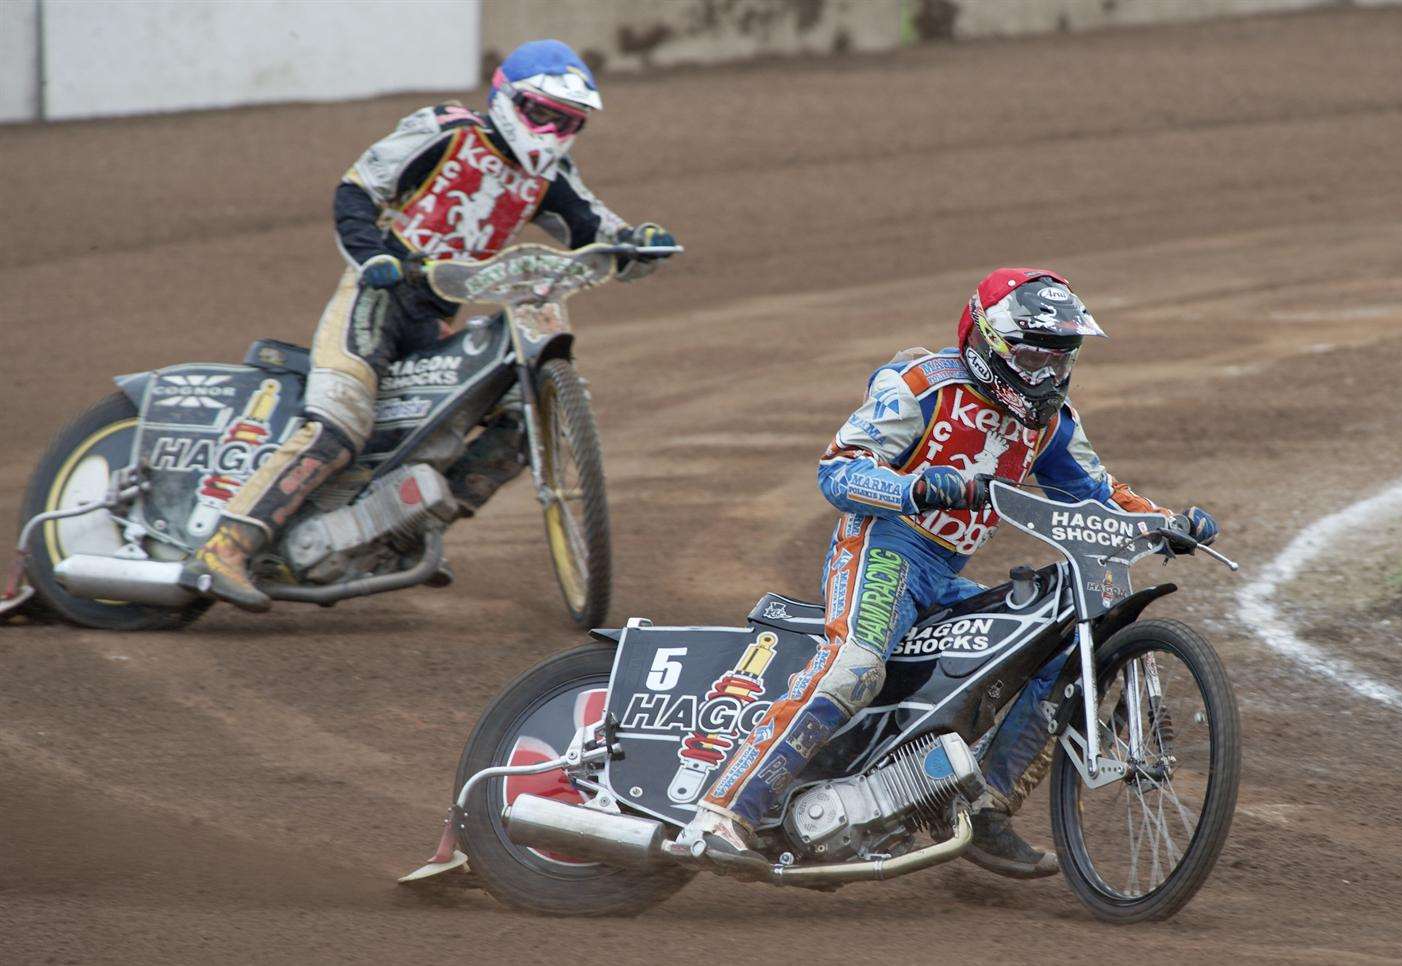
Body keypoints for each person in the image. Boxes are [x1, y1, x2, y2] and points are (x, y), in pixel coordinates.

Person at [679, 267, 1219, 877]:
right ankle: (725, 809)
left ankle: (984, 807)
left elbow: (1094, 493)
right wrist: (914, 488)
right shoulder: (921, 385)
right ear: (989, 340)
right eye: (1034, 355)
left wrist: (1166, 521)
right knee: (856, 665)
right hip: (884, 548)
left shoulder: (1051, 422)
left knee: (1053, 646)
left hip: (944, 573)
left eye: (1061, 356)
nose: (1047, 373)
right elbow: (837, 470)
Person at [182, 40, 676, 611]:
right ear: (506, 98)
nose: (551, 131)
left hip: (439, 316)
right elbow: (357, 189)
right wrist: (372, 256)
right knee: (340, 423)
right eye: (541, 113)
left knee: (514, 423)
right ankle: (224, 545)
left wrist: (641, 244)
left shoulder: (551, 175)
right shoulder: (448, 129)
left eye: (568, 121)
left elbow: (594, 231)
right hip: (380, 296)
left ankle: (397, 534)